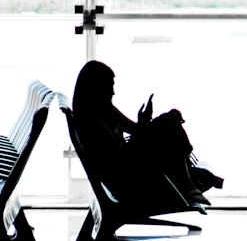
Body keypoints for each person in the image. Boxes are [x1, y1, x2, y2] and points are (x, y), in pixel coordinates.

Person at [71, 60, 223, 207]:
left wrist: (144, 120)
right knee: (167, 122)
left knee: (168, 120)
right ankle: (189, 184)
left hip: (128, 167)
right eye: (109, 86)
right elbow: (119, 157)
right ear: (96, 87)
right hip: (126, 177)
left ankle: (189, 182)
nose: (113, 92)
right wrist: (146, 130)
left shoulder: (104, 109)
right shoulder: (91, 118)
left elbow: (134, 130)